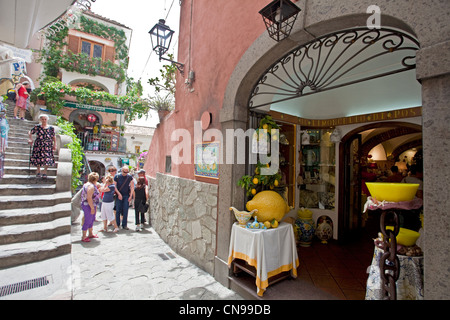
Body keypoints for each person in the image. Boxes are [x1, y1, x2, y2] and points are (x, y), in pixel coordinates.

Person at [28, 114, 56, 178]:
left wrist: (55, 145)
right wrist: (30, 138)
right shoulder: (37, 127)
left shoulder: (51, 128)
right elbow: (30, 132)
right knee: (38, 158)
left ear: (47, 120)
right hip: (38, 144)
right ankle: (38, 171)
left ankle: (45, 172)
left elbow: (53, 137)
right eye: (42, 119)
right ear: (40, 120)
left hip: (48, 145)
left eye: (45, 119)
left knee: (47, 158)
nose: (44, 120)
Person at [80, 172, 101, 242]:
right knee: (88, 219)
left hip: (90, 204)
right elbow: (89, 197)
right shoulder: (91, 187)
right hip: (88, 205)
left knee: (91, 219)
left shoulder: (88, 184)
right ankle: (84, 236)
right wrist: (92, 207)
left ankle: (90, 233)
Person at [114, 166, 134, 230]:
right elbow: (114, 186)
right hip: (118, 195)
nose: (125, 173)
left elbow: (132, 187)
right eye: (124, 172)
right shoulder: (117, 177)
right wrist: (119, 194)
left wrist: (131, 196)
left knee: (125, 210)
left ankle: (124, 224)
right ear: (121, 170)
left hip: (126, 195)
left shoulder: (129, 177)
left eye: (127, 172)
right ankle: (117, 224)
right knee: (118, 210)